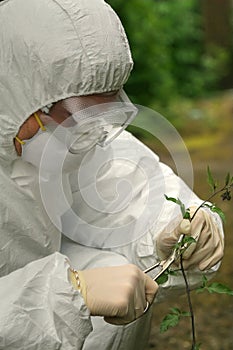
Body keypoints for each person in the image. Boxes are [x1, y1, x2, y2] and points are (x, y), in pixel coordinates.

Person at [0, 0, 224, 349]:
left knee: (112, 267)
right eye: (76, 116)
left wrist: (172, 229)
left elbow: (128, 187)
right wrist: (62, 295)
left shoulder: (78, 139)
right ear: (16, 93)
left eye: (102, 111)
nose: (90, 132)